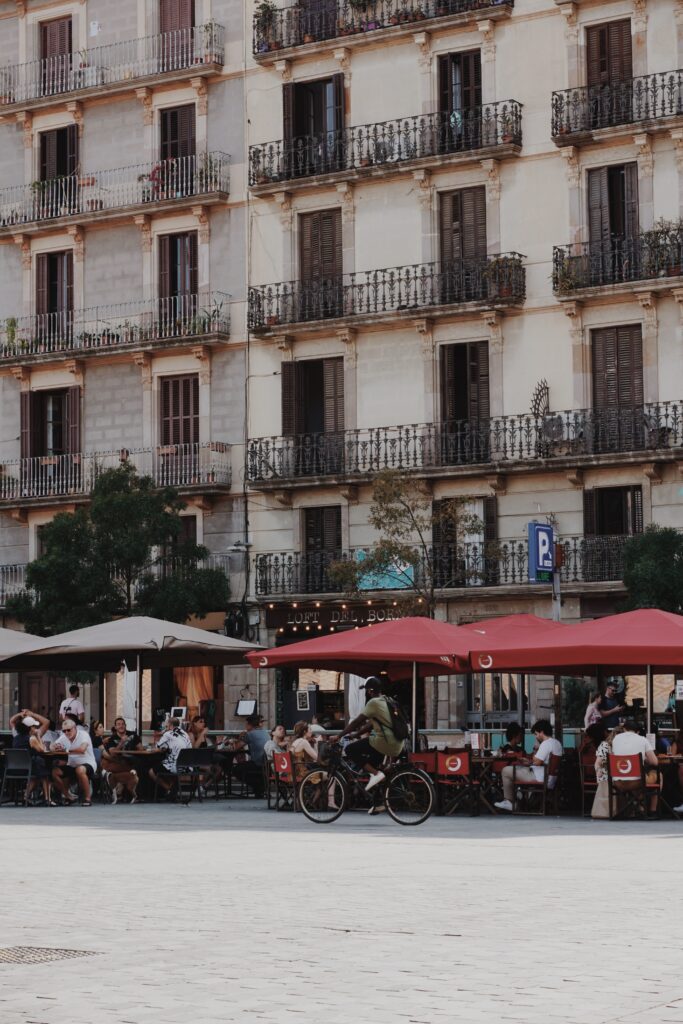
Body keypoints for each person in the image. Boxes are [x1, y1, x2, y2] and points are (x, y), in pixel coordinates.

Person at [338, 677, 404, 793]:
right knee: (369, 765)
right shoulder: (387, 700)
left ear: (370, 691)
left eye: (367, 690)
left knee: (350, 750)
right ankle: (378, 797)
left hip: (384, 742)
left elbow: (357, 722)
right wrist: (356, 734)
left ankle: (376, 774)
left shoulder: (373, 703)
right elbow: (371, 724)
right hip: (397, 743)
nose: (367, 692)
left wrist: (339, 736)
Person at [494, 719, 563, 812]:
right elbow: (541, 761)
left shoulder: (546, 743)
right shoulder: (557, 743)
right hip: (549, 778)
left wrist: (534, 755)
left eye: (536, 734)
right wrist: (530, 761)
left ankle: (510, 801)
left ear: (542, 732)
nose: (536, 737)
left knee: (506, 770)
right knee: (516, 769)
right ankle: (515, 801)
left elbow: (537, 761)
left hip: (539, 777)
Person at [611, 718, 659, 813]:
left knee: (638, 775)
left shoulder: (616, 739)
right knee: (657, 775)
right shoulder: (643, 739)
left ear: (624, 729)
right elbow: (655, 762)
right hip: (637, 782)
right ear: (637, 731)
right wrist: (644, 758)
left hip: (618, 783)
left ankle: (637, 807)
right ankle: (652, 811)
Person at [9, 709, 54, 806]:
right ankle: (47, 799)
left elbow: (11, 721)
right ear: (30, 728)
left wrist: (21, 714)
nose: (35, 728)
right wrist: (38, 736)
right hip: (28, 767)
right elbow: (42, 749)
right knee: (44, 771)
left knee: (37, 772)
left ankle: (26, 797)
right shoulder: (32, 738)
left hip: (15, 768)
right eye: (34, 726)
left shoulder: (16, 737)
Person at [51, 717, 97, 806]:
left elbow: (82, 749)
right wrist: (55, 747)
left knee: (80, 770)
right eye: (64, 731)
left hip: (88, 763)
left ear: (75, 728)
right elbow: (52, 746)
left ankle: (87, 798)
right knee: (54, 772)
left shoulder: (83, 735)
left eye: (69, 730)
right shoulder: (64, 737)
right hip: (72, 764)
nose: (66, 733)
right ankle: (68, 796)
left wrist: (66, 750)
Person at [102, 717, 143, 804]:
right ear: (115, 727)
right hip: (120, 761)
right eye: (118, 724)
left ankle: (136, 795)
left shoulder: (132, 735)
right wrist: (121, 742)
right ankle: (127, 795)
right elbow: (113, 753)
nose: (121, 726)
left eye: (123, 724)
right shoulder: (112, 738)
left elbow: (141, 749)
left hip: (134, 759)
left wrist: (138, 747)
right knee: (133, 767)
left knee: (142, 764)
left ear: (125, 725)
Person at [149, 718, 192, 796]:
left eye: (166, 725)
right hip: (187, 766)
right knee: (166, 767)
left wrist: (163, 734)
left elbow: (158, 747)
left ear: (170, 725)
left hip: (176, 766)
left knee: (151, 772)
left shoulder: (168, 734)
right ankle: (173, 789)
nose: (166, 727)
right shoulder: (185, 734)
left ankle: (169, 789)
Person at [231, 714, 269, 798]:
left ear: (249, 725)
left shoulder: (250, 734)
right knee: (247, 766)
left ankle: (258, 787)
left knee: (236, 770)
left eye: (246, 724)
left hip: (258, 763)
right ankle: (259, 788)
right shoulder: (265, 732)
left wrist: (239, 737)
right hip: (267, 763)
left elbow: (236, 747)